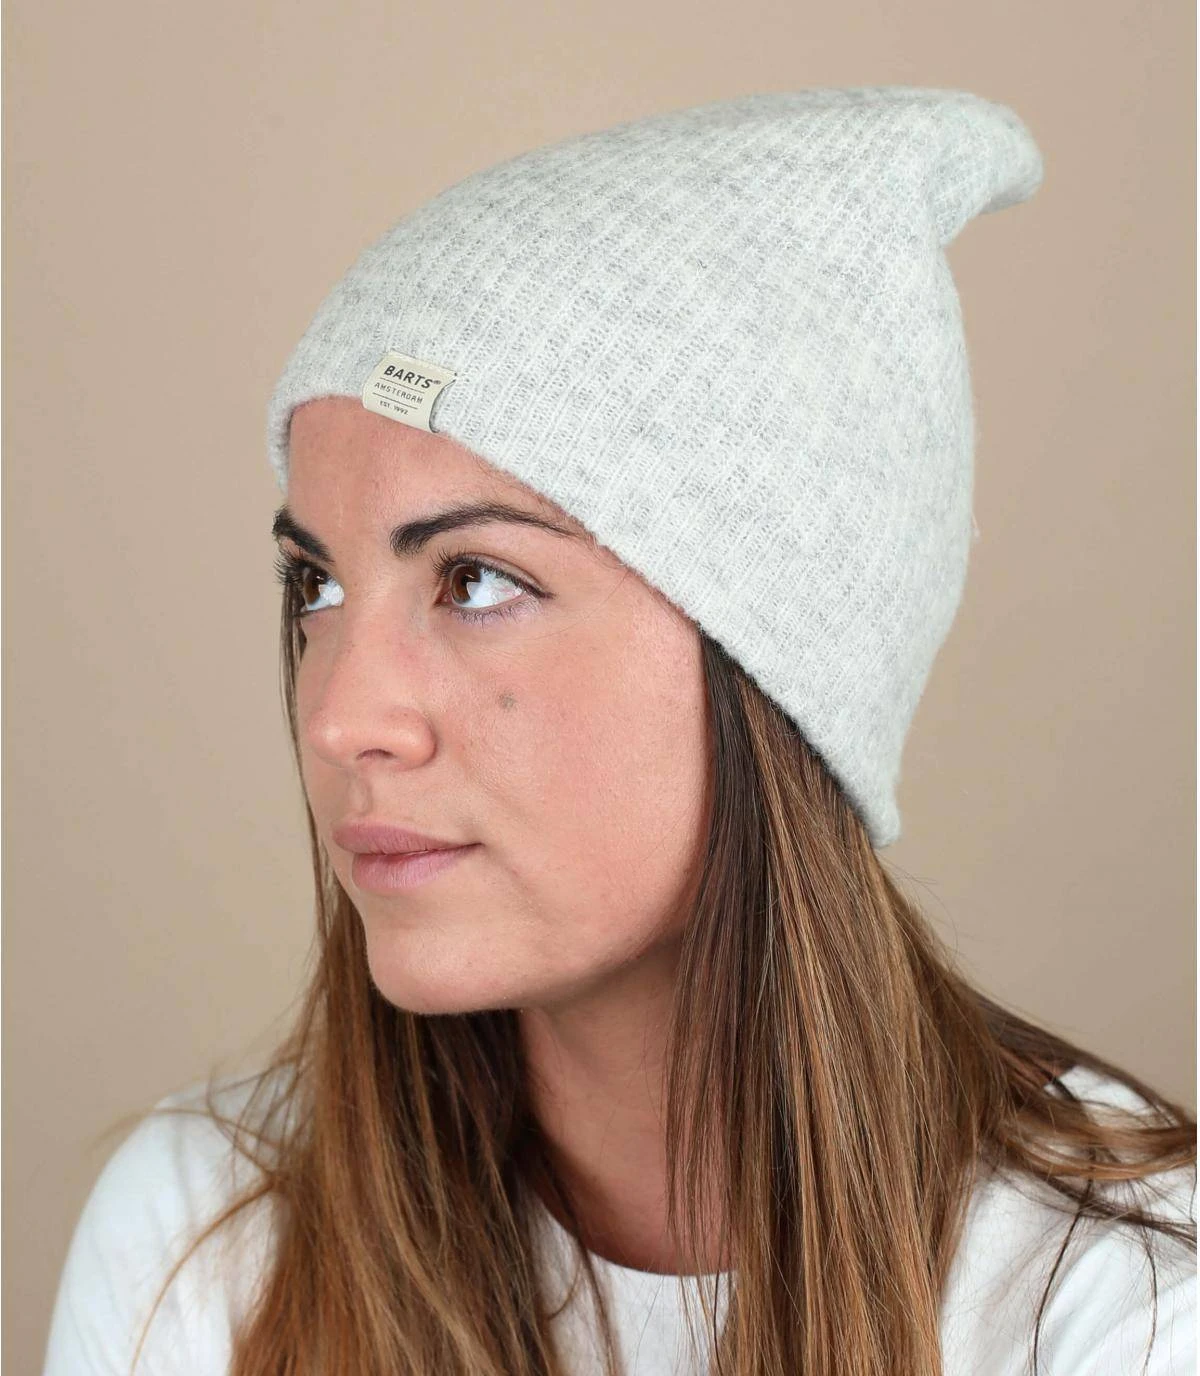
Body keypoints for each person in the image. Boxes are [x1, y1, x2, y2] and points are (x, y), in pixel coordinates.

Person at [44, 85, 1196, 1376]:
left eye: (476, 578)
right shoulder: (204, 1240)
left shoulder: (1122, 1303)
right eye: (316, 584)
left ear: (779, 663)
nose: (341, 716)